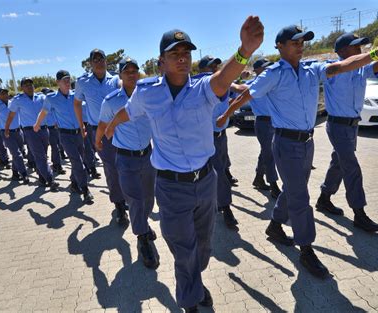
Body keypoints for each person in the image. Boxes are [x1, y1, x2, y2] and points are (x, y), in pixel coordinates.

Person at [217, 26, 378, 278]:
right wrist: (226, 115)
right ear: (280, 46)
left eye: (302, 41)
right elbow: (248, 94)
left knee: (294, 189)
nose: (300, 45)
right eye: (294, 42)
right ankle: (306, 248)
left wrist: (374, 54)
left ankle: (274, 225)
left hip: (307, 142)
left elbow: (340, 66)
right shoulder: (273, 74)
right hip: (285, 143)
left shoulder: (311, 69)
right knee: (300, 197)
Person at [104, 17, 265, 311]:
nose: (182, 59)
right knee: (183, 249)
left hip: (205, 183)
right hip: (170, 186)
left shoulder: (203, 89)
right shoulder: (148, 92)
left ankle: (195, 280)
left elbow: (223, 78)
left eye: (186, 54)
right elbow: (129, 111)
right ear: (161, 62)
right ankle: (189, 300)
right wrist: (112, 125)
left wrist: (244, 51)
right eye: (174, 54)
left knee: (202, 248)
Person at [316, 33, 378, 232]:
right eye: (355, 46)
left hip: (352, 126)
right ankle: (359, 213)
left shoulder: (361, 69)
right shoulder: (333, 69)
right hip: (337, 126)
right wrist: (376, 53)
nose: (360, 49)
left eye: (361, 46)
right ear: (342, 51)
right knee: (351, 167)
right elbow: (352, 63)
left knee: (339, 163)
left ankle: (324, 198)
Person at [96, 58, 159, 268]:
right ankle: (142, 239)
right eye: (127, 71)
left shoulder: (148, 94)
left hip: (148, 156)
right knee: (134, 199)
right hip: (125, 157)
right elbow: (103, 124)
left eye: (135, 70)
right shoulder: (111, 100)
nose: (132, 74)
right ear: (120, 76)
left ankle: (143, 223)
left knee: (149, 198)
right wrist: (97, 140)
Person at [74, 49, 127, 221]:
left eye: (101, 58)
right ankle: (119, 204)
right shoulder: (82, 82)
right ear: (90, 63)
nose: (99, 61)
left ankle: (125, 196)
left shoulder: (115, 80)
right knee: (111, 167)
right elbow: (77, 104)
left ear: (106, 61)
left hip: (119, 129)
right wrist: (81, 124)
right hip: (98, 131)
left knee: (124, 165)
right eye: (95, 59)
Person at [192, 55, 239, 229]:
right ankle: (225, 208)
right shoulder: (198, 84)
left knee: (221, 170)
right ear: (201, 70)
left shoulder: (222, 83)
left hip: (220, 135)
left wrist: (229, 111)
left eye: (216, 66)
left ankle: (218, 204)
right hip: (205, 138)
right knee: (216, 174)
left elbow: (237, 90)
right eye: (210, 66)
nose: (214, 69)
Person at [34, 70, 94, 204]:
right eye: (64, 80)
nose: (67, 83)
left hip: (78, 133)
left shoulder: (76, 96)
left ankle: (74, 183)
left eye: (68, 79)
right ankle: (85, 190)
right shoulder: (51, 98)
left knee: (78, 161)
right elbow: (43, 112)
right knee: (77, 161)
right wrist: (37, 124)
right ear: (57, 82)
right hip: (65, 135)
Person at [5, 77, 59, 191]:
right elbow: (11, 115)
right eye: (26, 85)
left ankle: (41, 178)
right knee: (40, 156)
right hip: (30, 132)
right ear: (22, 87)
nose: (29, 86)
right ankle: (50, 180)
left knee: (42, 154)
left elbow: (51, 109)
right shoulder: (18, 100)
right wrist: (7, 128)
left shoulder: (41, 97)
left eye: (31, 84)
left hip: (44, 130)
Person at [248, 59, 281, 199]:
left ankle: (259, 178)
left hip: (275, 122)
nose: (269, 69)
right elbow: (234, 95)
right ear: (256, 70)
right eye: (265, 67)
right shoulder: (251, 85)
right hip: (263, 123)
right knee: (269, 154)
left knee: (266, 152)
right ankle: (273, 185)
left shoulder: (271, 82)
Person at [0, 88, 29, 184]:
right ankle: (24, 174)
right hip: (6, 133)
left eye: (6, 93)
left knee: (18, 152)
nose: (5, 95)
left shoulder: (13, 102)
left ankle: (15, 173)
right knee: (17, 154)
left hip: (18, 131)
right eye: (2, 93)